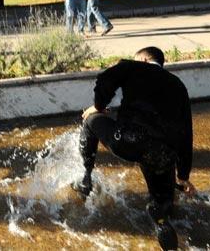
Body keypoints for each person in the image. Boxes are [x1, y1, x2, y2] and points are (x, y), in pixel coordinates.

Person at [75, 46, 195, 250]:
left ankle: (86, 178)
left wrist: (99, 106)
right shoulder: (178, 85)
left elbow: (104, 80)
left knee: (90, 120)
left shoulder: (132, 66)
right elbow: (186, 133)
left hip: (128, 140)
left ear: (145, 60)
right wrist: (183, 175)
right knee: (164, 201)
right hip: (162, 152)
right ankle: (159, 217)